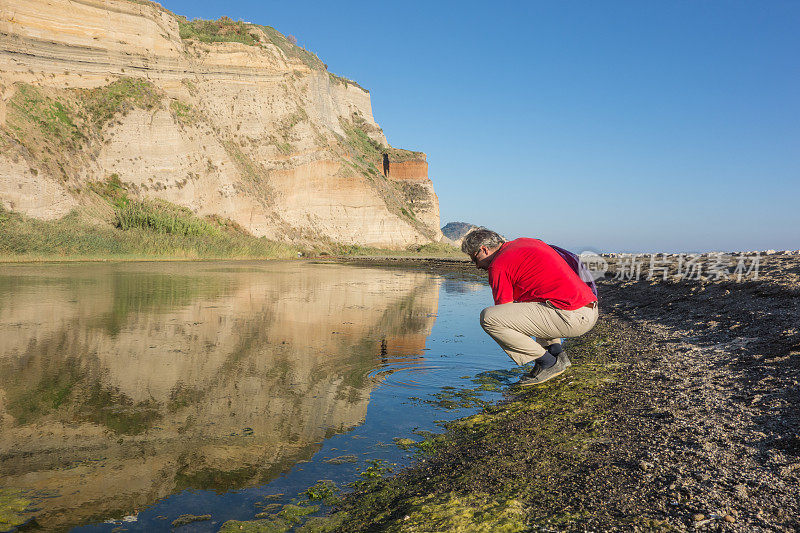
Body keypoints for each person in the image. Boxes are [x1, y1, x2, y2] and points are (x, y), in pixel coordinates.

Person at [462, 228, 598, 386]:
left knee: (489, 318)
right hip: (588, 309)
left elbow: (505, 313)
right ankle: (557, 354)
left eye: (474, 259)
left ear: (484, 249)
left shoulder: (498, 265)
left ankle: (547, 363)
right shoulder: (525, 242)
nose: (477, 266)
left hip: (572, 317)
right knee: (534, 305)